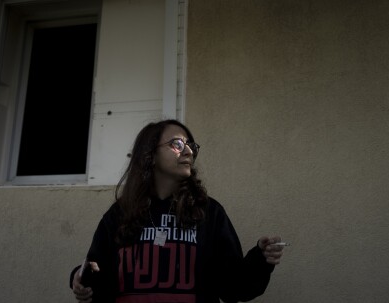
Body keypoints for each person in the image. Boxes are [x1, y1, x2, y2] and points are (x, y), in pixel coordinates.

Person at [70, 119, 285, 302]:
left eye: (191, 145)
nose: (189, 151)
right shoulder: (119, 214)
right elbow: (96, 269)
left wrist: (260, 258)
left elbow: (233, 288)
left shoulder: (209, 213)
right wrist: (78, 279)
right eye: (177, 144)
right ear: (150, 155)